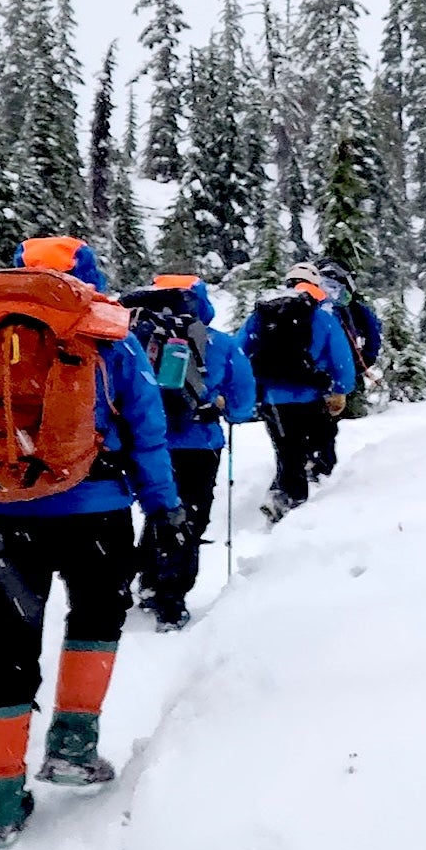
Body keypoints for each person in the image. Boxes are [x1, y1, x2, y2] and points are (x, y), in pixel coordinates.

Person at [0, 237, 182, 850]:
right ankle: (73, 748)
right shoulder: (105, 330)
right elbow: (146, 427)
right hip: (92, 509)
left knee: (5, 643)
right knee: (96, 617)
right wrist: (162, 504)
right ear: (87, 273)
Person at [123, 268, 256, 629]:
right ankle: (170, 598)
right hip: (199, 446)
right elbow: (244, 404)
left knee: (157, 511)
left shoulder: (133, 341)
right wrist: (225, 407)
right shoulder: (220, 345)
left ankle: (145, 582)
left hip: (146, 443)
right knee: (189, 520)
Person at [238, 262, 357, 521]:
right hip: (310, 396)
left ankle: (283, 495)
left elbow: (239, 352)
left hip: (272, 399)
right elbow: (341, 358)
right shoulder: (322, 315)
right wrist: (341, 390)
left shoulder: (261, 315)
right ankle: (295, 507)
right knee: (317, 447)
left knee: (286, 451)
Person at [313, 259, 383, 460]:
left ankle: (309, 465)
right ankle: (323, 464)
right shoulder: (351, 306)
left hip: (308, 373)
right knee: (332, 421)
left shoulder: (313, 306)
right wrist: (363, 363)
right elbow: (373, 333)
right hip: (344, 369)